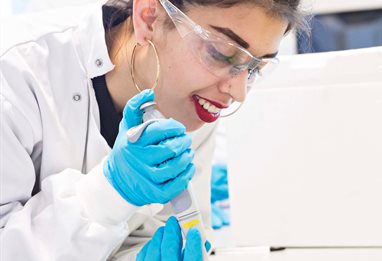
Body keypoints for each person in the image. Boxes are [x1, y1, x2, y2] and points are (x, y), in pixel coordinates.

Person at [0, 0, 306, 260]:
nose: (237, 93)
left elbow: (150, 236)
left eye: (254, 68)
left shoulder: (194, 106)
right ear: (149, 16)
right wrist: (109, 191)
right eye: (221, 53)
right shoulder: (16, 73)